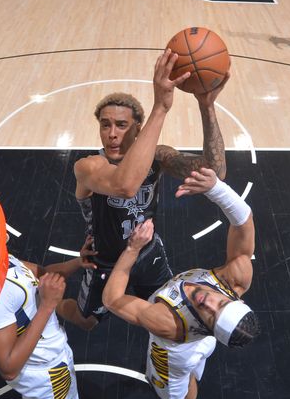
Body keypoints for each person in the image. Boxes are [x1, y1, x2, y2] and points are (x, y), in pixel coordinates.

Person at [63, 48, 229, 332]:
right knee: (86, 322)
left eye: (122, 125)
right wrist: (161, 106)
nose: (112, 133)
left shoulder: (158, 156)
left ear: (138, 128)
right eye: (105, 125)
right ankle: (52, 302)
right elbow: (124, 186)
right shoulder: (88, 166)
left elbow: (215, 172)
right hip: (104, 260)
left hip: (147, 252)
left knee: (165, 310)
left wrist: (207, 106)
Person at [103, 168, 260, 399]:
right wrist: (216, 188)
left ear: (210, 329)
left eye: (209, 316)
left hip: (175, 357)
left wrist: (132, 249)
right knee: (194, 370)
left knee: (176, 396)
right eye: (219, 303)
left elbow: (112, 299)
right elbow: (244, 221)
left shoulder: (166, 323)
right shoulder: (235, 279)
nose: (208, 302)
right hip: (203, 345)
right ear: (235, 298)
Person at [0, 216, 92, 399]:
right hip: (45, 373)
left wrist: (79, 262)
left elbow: (42, 273)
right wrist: (47, 306)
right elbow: (8, 367)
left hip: (52, 356)